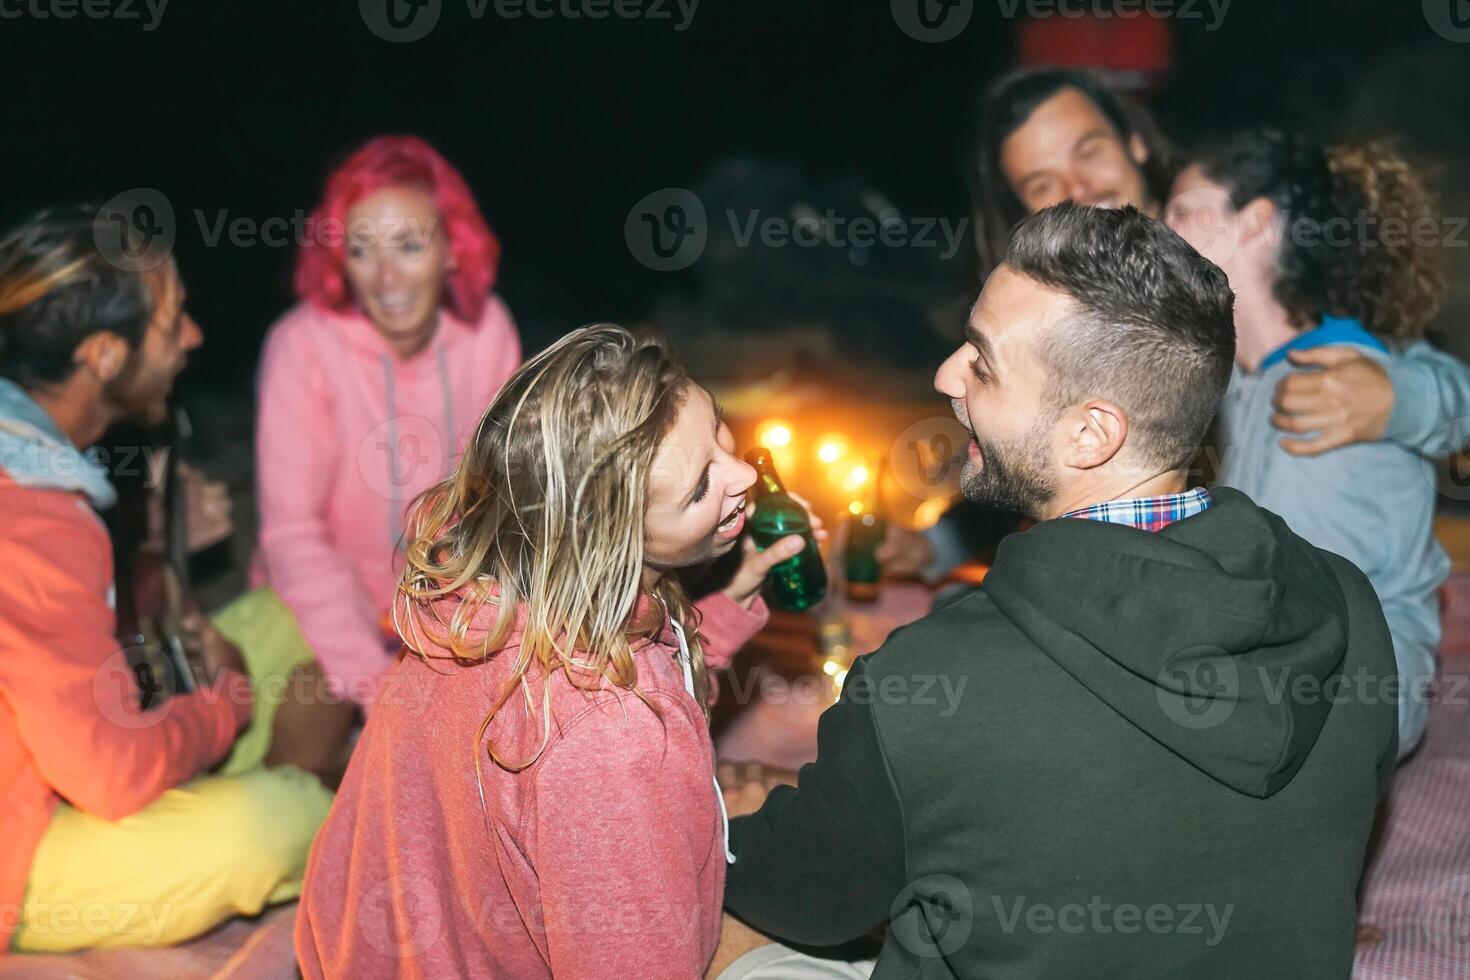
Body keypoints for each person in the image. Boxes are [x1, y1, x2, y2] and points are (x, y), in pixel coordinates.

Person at [722, 203, 1397, 978]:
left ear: (1091, 434)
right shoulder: (1348, 604)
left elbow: (807, 898)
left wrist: (731, 820)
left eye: (982, 362)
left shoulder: (923, 688)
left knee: (709, 933)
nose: (946, 375)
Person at [295, 324, 819, 978]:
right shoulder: (618, 737)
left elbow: (630, 688)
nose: (745, 473)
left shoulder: (481, 605)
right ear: (611, 542)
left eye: (717, 429)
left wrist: (722, 605)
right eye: (697, 489)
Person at [879, 67, 1470, 583]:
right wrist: (943, 543)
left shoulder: (1230, 245)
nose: (1077, 189)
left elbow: (1441, 387)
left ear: (1134, 142)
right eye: (1041, 183)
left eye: (1088, 151)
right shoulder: (1044, 310)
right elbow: (1029, 452)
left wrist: (1396, 399)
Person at [0, 206, 333, 953]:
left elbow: (72, 646)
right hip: (19, 852)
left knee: (295, 615)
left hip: (52, 751)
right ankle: (266, 788)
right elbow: (106, 774)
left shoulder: (30, 453)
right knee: (288, 819)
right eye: (172, 320)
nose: (193, 337)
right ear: (104, 356)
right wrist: (226, 706)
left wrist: (154, 555)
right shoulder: (33, 511)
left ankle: (235, 780)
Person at [1165, 130, 1449, 757]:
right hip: (1292, 674)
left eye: (1183, 210)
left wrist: (1402, 402)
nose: (1165, 227)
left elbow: (1315, 622)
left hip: (1354, 697)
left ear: (1258, 222)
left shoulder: (1342, 375)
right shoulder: (1242, 376)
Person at [252, 135, 522, 713]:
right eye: (360, 250)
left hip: (446, 620)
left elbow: (503, 499)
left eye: (408, 245)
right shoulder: (302, 347)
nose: (385, 278)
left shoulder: (489, 330)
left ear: (453, 248)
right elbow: (292, 535)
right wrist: (375, 685)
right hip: (316, 621)